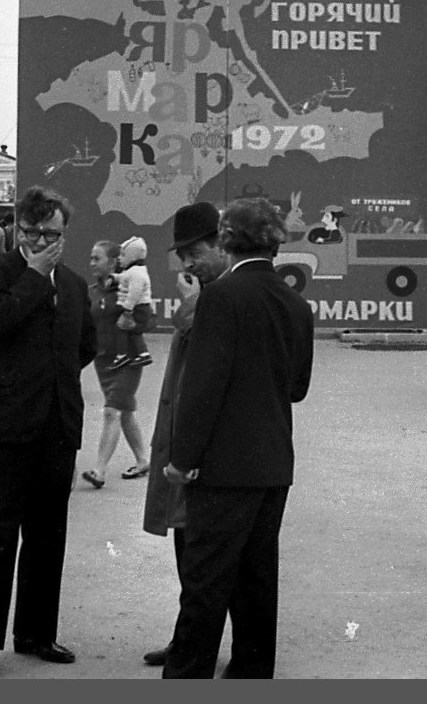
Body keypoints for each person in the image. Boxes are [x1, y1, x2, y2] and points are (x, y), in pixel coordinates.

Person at [163, 197, 314, 678]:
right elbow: (297, 388)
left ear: (227, 241)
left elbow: (202, 389)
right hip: (273, 464)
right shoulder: (295, 302)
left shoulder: (220, 298)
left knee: (205, 584)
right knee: (257, 580)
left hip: (223, 469)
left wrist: (181, 459)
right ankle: (251, 673)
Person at [0, 187, 97, 680]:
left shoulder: (77, 285)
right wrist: (35, 276)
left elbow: (85, 346)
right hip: (1, 425)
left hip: (56, 425)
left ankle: (36, 631)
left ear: (65, 232)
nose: (44, 241)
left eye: (53, 233)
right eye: (34, 232)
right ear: (18, 228)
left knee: (47, 535)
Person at [141, 201, 227, 668]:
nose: (186, 264)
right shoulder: (209, 290)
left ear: (219, 245)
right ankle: (187, 639)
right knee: (185, 546)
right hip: (184, 443)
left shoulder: (224, 294)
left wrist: (193, 305)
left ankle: (196, 648)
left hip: (205, 452)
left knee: (203, 558)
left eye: (192, 252)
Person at [80, 241, 150, 488]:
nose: (92, 263)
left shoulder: (128, 286)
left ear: (113, 262)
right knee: (125, 412)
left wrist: (135, 324)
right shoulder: (89, 292)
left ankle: (99, 471)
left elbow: (146, 319)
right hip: (103, 360)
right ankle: (143, 460)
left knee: (112, 411)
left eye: (97, 258)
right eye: (91, 258)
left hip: (128, 358)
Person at [112, 235, 155, 367]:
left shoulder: (136, 273)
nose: (119, 258)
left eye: (123, 255)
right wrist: (114, 278)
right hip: (139, 308)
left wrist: (127, 311)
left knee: (121, 328)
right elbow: (124, 278)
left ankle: (122, 356)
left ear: (132, 257)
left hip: (138, 308)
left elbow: (134, 293)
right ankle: (143, 355)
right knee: (134, 332)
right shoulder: (134, 271)